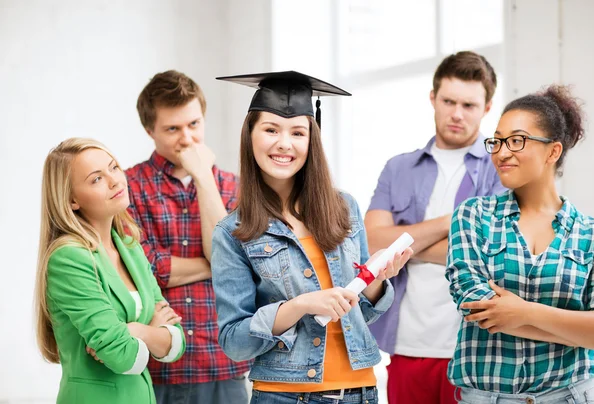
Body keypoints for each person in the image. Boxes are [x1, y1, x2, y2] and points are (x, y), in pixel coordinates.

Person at [211, 70, 413, 404]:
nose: (284, 144)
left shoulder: (344, 208)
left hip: (360, 393)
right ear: (250, 135)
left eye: (297, 132)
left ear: (311, 139)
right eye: (271, 129)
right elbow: (234, 341)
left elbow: (358, 314)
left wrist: (377, 280)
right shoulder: (233, 232)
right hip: (286, 396)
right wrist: (300, 305)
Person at [365, 51, 504, 404]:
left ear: (487, 108)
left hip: (475, 352)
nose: (457, 113)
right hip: (407, 345)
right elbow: (371, 242)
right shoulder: (398, 169)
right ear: (433, 98)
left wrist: (404, 242)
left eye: (469, 105)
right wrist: (455, 221)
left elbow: (493, 255)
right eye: (448, 101)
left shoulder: (501, 169)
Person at [447, 85, 594, 403]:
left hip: (574, 394)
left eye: (517, 140)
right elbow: (477, 308)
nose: (501, 152)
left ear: (552, 151)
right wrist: (576, 330)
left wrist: (523, 311)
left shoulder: (591, 234)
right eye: (497, 141)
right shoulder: (473, 216)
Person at [126, 70, 251, 404]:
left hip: (224, 361)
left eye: (194, 124)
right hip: (161, 365)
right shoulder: (127, 187)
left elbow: (242, 268)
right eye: (173, 129)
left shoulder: (233, 186)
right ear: (149, 129)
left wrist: (203, 179)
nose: (188, 139)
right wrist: (221, 264)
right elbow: (147, 270)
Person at [34, 138, 185, 404]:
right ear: (71, 200)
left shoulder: (130, 247)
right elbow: (121, 356)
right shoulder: (68, 258)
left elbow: (176, 343)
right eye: (96, 179)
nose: (115, 180)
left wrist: (136, 330)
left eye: (114, 167)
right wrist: (153, 332)